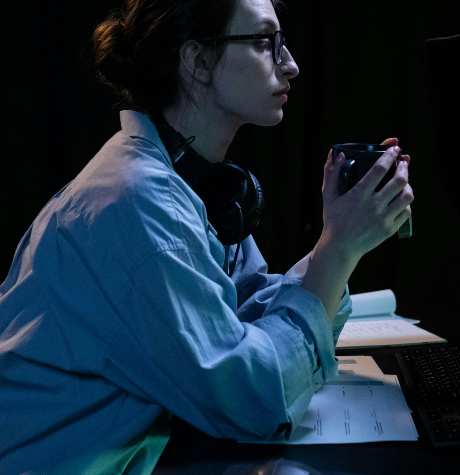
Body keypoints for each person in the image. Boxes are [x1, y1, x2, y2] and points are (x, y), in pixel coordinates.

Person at [0, 0, 414, 472]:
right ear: (197, 62)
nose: (291, 65)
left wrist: (341, 245)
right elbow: (253, 401)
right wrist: (338, 249)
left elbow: (243, 321)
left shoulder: (191, 182)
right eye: (263, 42)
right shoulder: (136, 202)